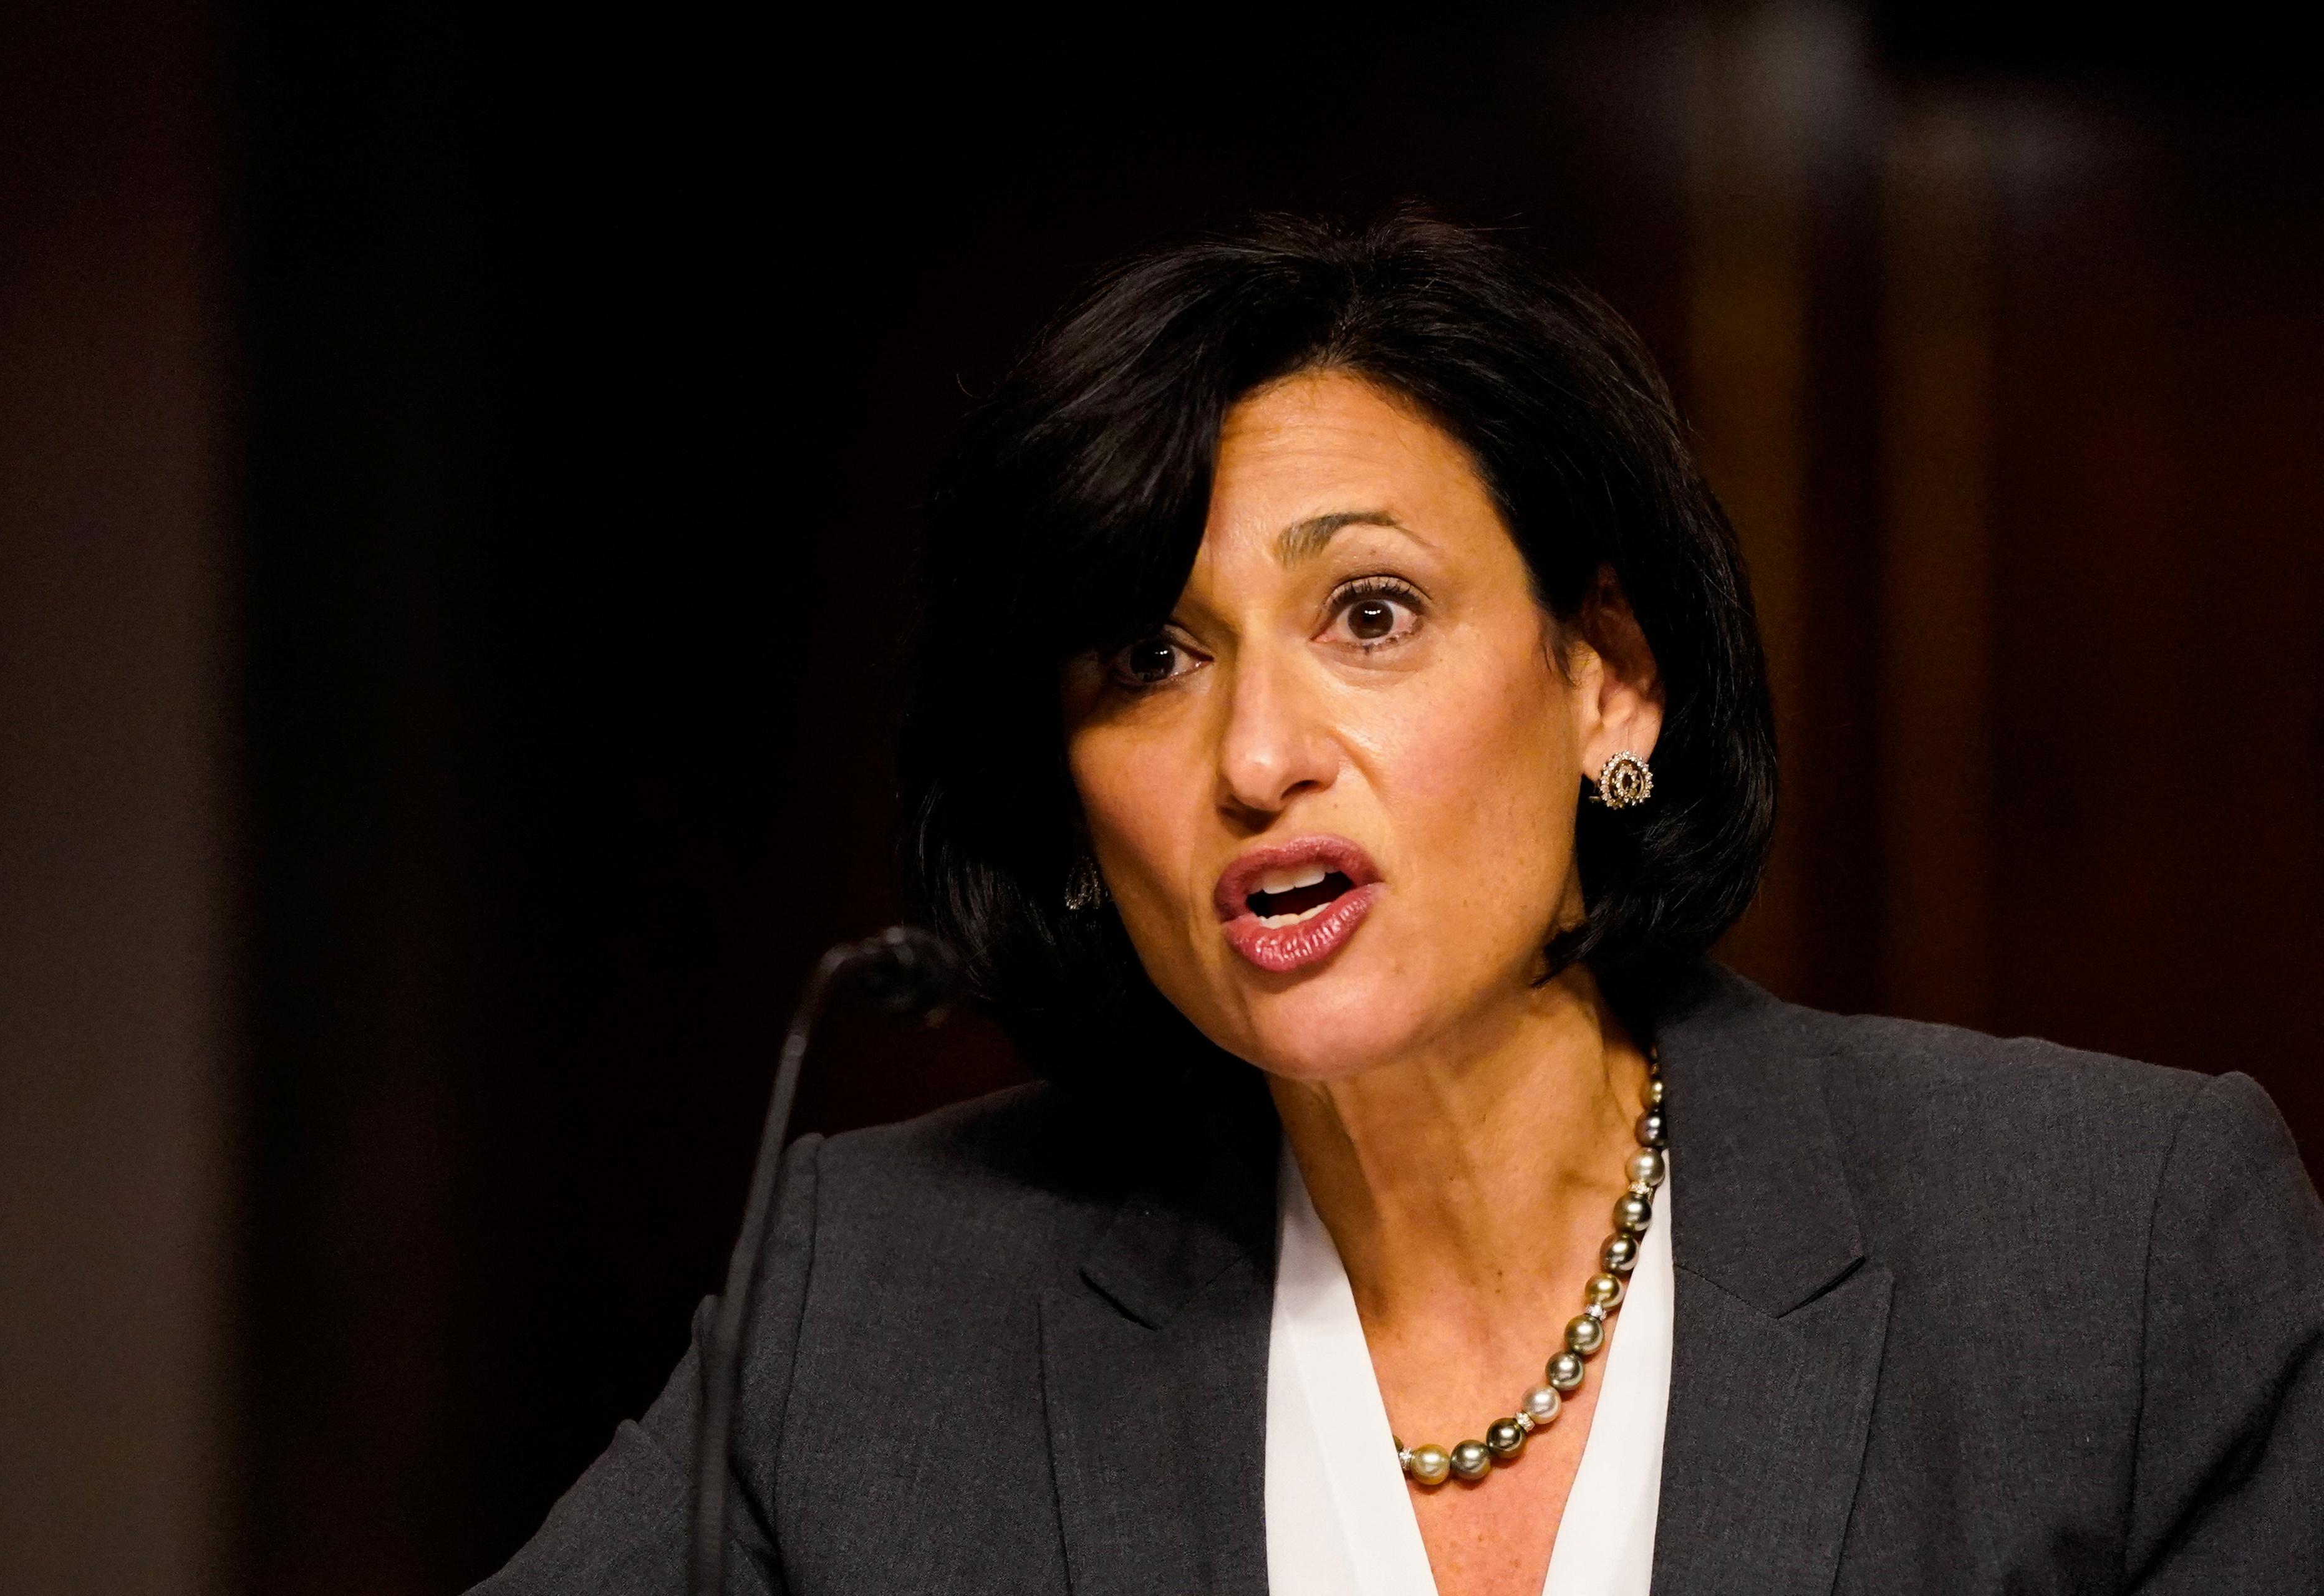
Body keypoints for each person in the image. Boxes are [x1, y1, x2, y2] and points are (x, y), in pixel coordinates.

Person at [472, 214, 2324, 1595]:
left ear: (1608, 677)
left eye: (1369, 613)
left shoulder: (2114, 1256)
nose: (1256, 754)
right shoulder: (877, 1303)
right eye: (1150, 654)